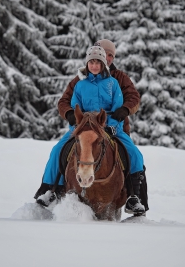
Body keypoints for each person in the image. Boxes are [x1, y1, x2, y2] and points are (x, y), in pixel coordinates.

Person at [34, 40, 148, 215]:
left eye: (107, 57)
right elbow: (69, 102)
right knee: (57, 150)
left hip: (112, 126)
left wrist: (120, 113)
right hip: (82, 126)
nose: (97, 64)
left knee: (134, 154)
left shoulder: (116, 81)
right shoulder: (79, 82)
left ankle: (134, 197)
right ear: (87, 63)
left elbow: (130, 98)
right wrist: (72, 115)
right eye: (92, 61)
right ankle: (50, 189)